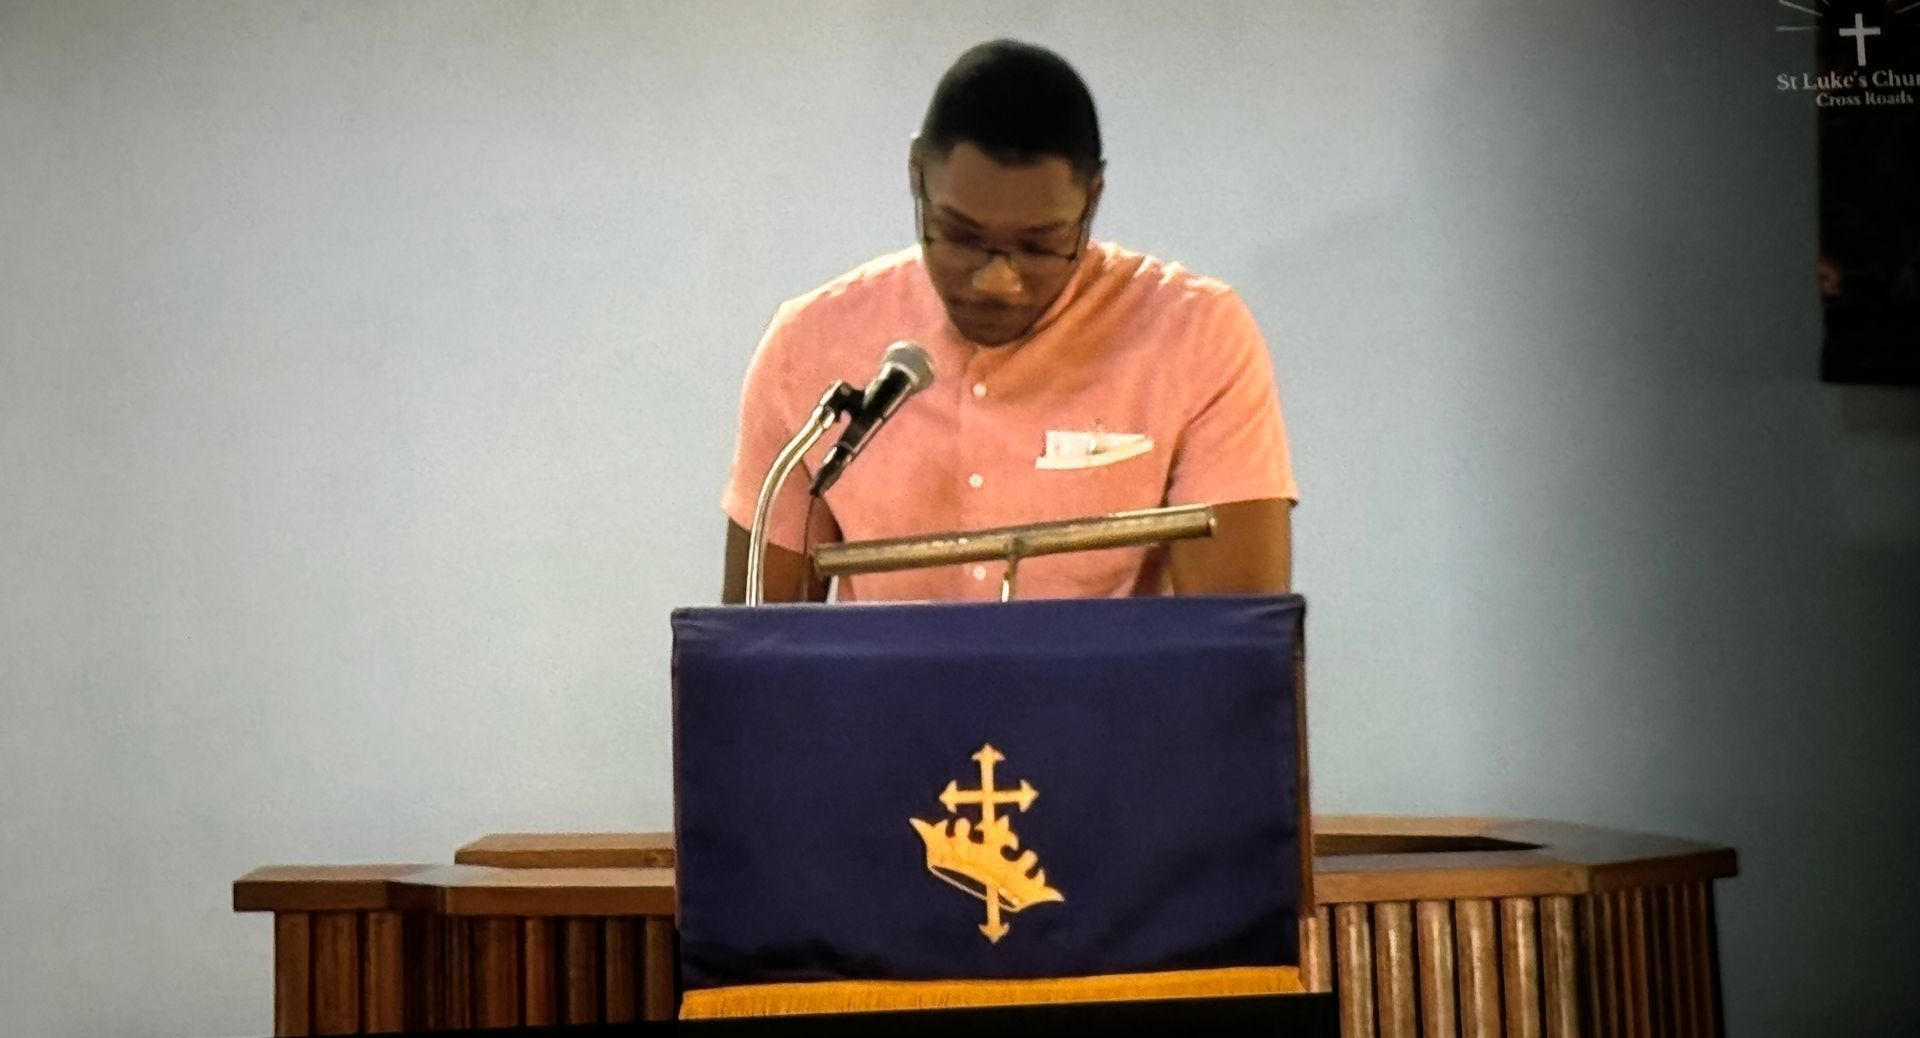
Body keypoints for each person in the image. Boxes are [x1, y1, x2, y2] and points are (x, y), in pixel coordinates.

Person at [720, 39, 1297, 603]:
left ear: (1092, 200)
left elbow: (1239, 656)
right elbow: (756, 661)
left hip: (1110, 703)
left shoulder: (1195, 338)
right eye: (963, 238)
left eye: (1040, 246)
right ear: (917, 176)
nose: (998, 280)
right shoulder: (809, 346)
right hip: (881, 704)